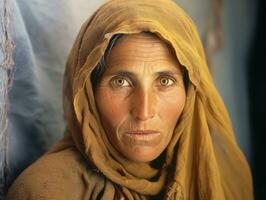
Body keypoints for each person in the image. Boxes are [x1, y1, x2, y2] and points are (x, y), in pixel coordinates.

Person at [6, 0, 253, 199]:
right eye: (121, 82)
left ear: (190, 91)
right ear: (89, 93)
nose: (144, 111)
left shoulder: (221, 179)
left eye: (165, 81)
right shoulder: (45, 190)